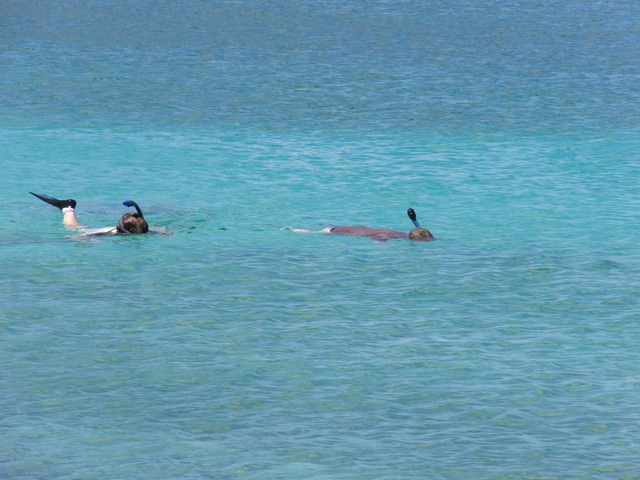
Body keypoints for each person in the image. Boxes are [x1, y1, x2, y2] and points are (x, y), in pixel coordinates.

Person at [30, 192, 149, 235]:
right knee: (72, 227)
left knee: (77, 226)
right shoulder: (110, 233)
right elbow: (81, 236)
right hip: (93, 232)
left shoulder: (143, 230)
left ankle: (68, 207)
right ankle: (67, 208)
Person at [328, 208, 434, 241]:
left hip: (363, 229)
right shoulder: (399, 236)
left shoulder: (405, 234)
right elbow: (381, 236)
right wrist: (381, 242)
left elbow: (420, 231)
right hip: (352, 232)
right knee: (327, 231)